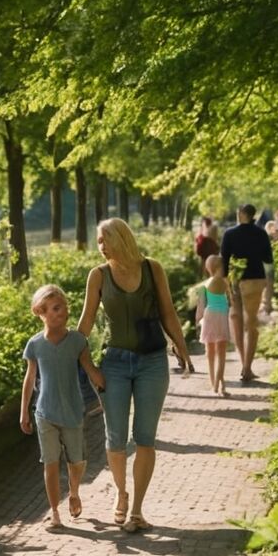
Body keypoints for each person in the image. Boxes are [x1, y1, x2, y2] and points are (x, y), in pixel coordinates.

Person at [76, 218, 194, 532]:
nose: (101, 247)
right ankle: (121, 493)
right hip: (114, 364)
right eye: (98, 241)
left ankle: (138, 510)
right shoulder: (98, 276)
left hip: (153, 362)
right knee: (115, 440)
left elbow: (168, 311)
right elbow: (86, 322)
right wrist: (76, 359)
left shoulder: (152, 269)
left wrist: (182, 349)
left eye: (105, 240)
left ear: (121, 237)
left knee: (144, 438)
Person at [20, 284, 106, 529]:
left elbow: (91, 371)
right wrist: (23, 410)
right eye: (55, 308)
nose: (62, 311)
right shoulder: (34, 345)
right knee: (50, 462)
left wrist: (108, 391)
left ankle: (74, 491)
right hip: (44, 412)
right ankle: (55, 512)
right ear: (40, 312)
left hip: (72, 410)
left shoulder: (77, 341)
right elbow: (29, 379)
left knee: (77, 461)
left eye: (63, 307)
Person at [221, 204, 274, 384]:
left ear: (241, 214)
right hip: (255, 279)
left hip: (235, 280)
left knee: (236, 319)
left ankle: (243, 362)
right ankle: (247, 368)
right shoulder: (261, 234)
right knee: (251, 323)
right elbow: (268, 259)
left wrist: (224, 281)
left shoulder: (229, 234)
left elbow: (224, 259)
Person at [194, 255, 233, 397]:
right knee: (221, 352)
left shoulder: (204, 285)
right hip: (221, 316)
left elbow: (200, 306)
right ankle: (220, 384)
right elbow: (231, 301)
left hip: (209, 316)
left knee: (209, 352)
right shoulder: (225, 282)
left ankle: (214, 385)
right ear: (218, 268)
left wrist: (198, 320)